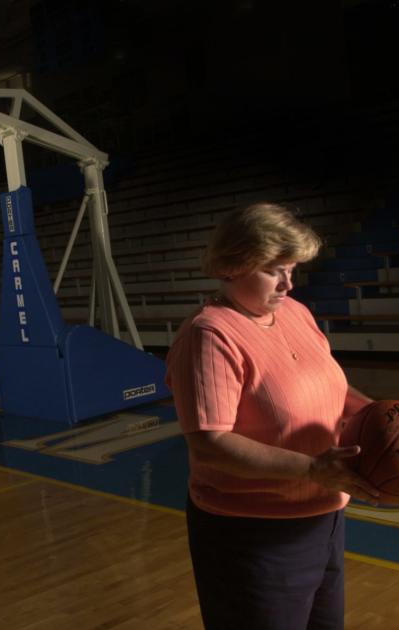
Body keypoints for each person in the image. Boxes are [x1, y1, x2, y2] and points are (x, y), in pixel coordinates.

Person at [164, 202, 379, 630]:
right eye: (274, 270)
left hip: (324, 517)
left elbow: (332, 388)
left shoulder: (295, 313)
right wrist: (313, 468)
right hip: (252, 533)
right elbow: (210, 441)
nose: (288, 283)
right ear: (233, 265)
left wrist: (381, 415)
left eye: (292, 268)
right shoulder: (210, 334)